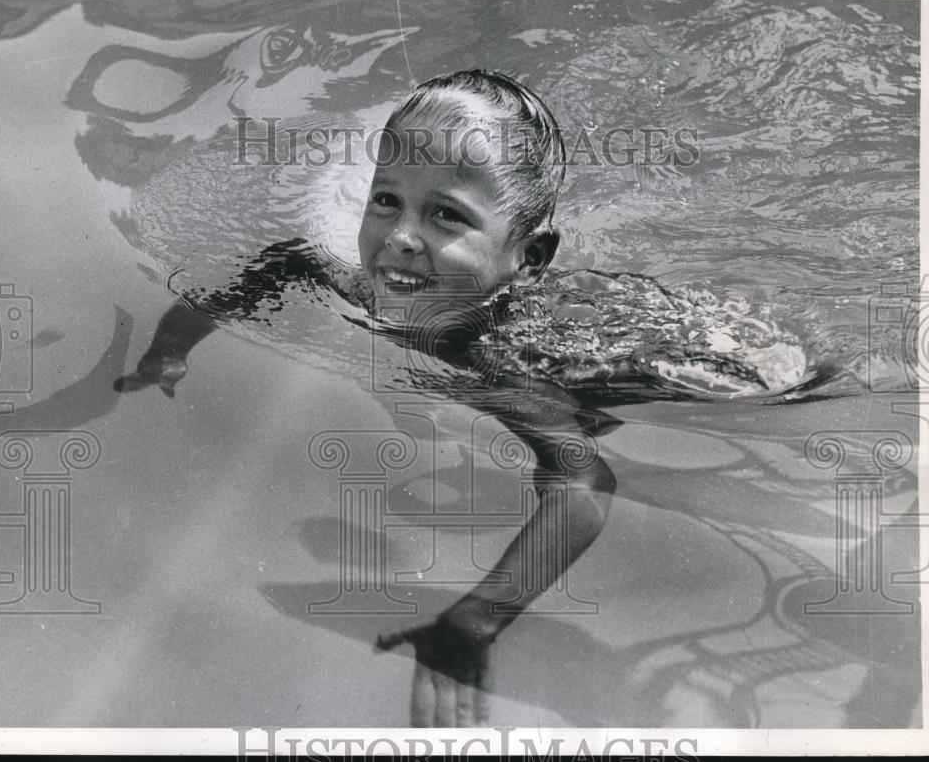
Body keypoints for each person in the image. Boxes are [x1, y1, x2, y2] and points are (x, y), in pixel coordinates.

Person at [114, 69, 795, 727]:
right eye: (387, 199)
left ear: (529, 257)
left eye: (444, 215)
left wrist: (475, 618)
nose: (401, 237)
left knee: (763, 378)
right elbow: (276, 267)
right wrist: (171, 345)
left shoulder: (497, 366)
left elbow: (585, 482)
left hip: (698, 355)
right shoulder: (361, 282)